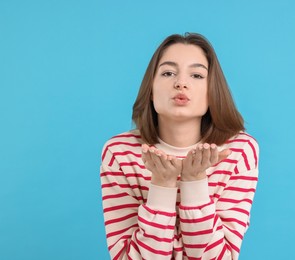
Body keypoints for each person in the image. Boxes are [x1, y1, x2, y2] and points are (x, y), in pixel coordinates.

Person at [100, 32, 259, 260]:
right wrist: (161, 185)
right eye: (168, 73)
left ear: (212, 91)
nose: (181, 83)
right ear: (151, 90)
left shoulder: (239, 151)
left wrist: (194, 181)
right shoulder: (119, 153)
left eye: (196, 75)